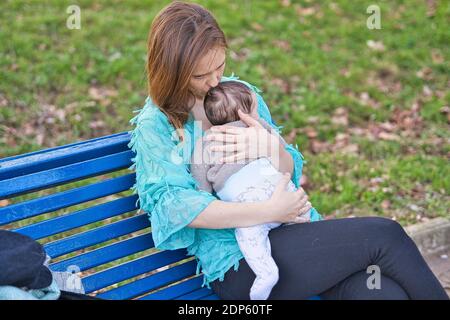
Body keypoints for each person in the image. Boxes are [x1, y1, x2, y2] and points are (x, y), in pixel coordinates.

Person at [128, 1, 449, 299]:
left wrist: (270, 147)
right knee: (385, 236)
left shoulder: (239, 94)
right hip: (242, 263)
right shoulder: (156, 126)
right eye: (200, 75)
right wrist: (268, 212)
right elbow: (177, 209)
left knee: (379, 292)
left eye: (220, 66)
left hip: (294, 232)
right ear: (172, 71)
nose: (215, 82)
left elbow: (287, 171)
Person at [190, 81, 313, 300]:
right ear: (244, 114)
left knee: (249, 237)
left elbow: (200, 181)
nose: (258, 113)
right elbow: (282, 149)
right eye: (255, 109)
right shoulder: (259, 128)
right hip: (278, 192)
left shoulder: (205, 143)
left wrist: (207, 191)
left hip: (249, 207)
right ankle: (309, 224)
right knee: (298, 203)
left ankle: (266, 272)